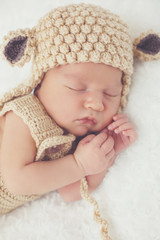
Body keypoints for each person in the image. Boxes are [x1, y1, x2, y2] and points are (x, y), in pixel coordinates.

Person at [0, 3, 159, 219]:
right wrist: (79, 164)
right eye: (76, 88)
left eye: (111, 94)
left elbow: (70, 192)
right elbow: (17, 181)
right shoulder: (23, 115)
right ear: (39, 81)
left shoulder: (77, 139)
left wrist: (105, 155)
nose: (96, 104)